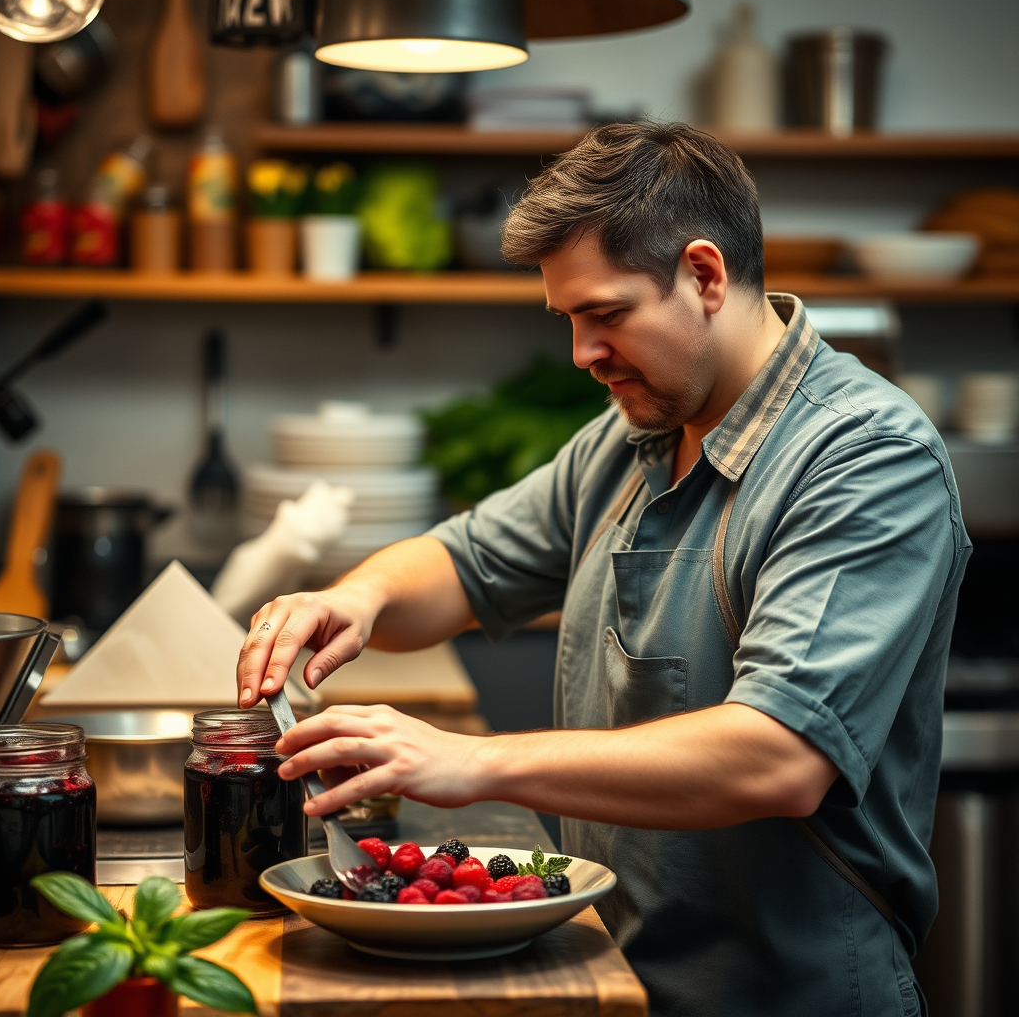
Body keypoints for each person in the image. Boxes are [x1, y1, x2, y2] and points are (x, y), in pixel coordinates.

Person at [236, 122, 969, 1017]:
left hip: (784, 992)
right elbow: (463, 563)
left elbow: (779, 758)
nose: (583, 353)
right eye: (570, 319)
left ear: (705, 275)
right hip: (615, 973)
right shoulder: (633, 439)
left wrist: (470, 762)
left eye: (608, 314)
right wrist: (354, 596)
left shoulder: (864, 457)